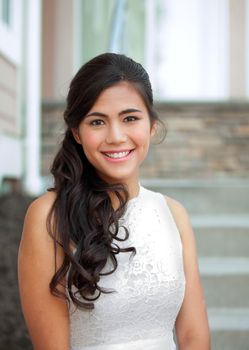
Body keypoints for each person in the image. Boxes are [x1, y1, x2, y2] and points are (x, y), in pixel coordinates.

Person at [18, 53, 210, 350]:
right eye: (97, 122)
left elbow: (193, 338)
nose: (116, 136)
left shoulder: (174, 215)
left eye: (130, 118)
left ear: (152, 125)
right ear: (77, 134)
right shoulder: (49, 217)